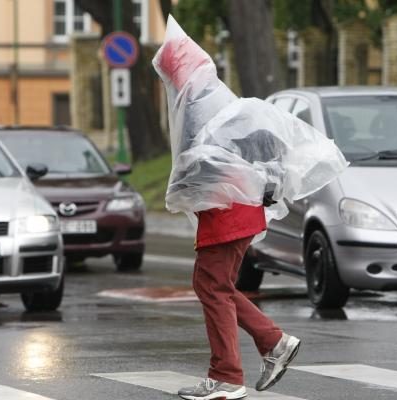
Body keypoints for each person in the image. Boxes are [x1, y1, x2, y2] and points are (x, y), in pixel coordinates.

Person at [153, 17, 301, 400]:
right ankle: (273, 342)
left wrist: (182, 190)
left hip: (227, 210)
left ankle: (227, 377)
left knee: (211, 286)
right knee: (214, 284)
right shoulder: (215, 95)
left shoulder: (197, 104)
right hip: (239, 208)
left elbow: (197, 161)